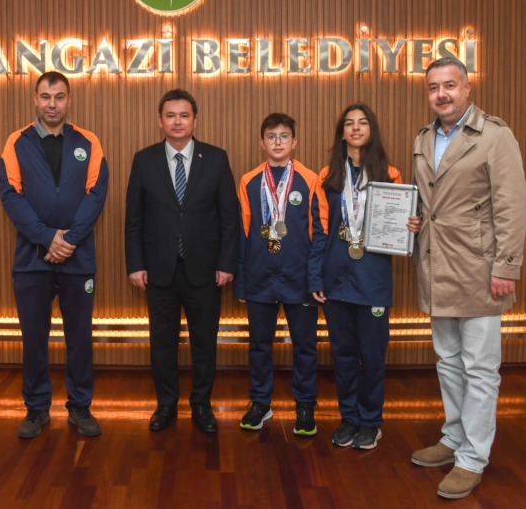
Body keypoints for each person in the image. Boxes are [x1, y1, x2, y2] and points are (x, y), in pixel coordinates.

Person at [410, 56, 526, 499]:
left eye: (449, 85)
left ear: (467, 87)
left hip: (479, 269)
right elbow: (430, 202)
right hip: (437, 267)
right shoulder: (424, 138)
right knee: (448, 361)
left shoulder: (495, 136)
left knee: (479, 368)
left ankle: (473, 458)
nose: (441, 94)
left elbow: (512, 206)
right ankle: (454, 437)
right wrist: (414, 222)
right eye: (433, 87)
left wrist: (506, 267)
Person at [0, 71, 109, 440]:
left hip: (78, 259)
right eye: (45, 96)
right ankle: (36, 408)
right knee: (34, 338)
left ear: (69, 100)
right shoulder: (16, 142)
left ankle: (79, 406)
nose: (52, 104)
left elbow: (96, 194)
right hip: (32, 260)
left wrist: (69, 240)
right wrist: (48, 239)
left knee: (80, 337)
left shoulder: (88, 142)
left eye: (59, 97)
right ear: (35, 99)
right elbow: (10, 195)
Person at [125, 88, 240, 434]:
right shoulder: (144, 160)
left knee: (204, 342)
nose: (178, 122)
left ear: (195, 120)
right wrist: (135, 263)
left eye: (184, 115)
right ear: (160, 121)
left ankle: (201, 405)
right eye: (171, 115)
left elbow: (229, 217)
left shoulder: (216, 158)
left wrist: (227, 263)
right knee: (162, 343)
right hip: (158, 269)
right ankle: (166, 404)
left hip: (205, 269)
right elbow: (134, 219)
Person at [312, 103, 420, 450]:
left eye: (362, 123)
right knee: (343, 355)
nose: (355, 128)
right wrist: (316, 278)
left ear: (371, 130)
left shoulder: (390, 175)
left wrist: (409, 226)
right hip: (336, 281)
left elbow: (400, 226)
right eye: (349, 123)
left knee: (372, 356)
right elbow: (319, 231)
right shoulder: (327, 176)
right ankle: (349, 418)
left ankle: (371, 421)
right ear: (342, 133)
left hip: (373, 280)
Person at [234, 113, 327, 435]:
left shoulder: (310, 179)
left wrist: (315, 279)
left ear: (294, 142)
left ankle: (305, 404)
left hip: (299, 279)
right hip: (260, 277)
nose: (277, 142)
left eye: (284, 136)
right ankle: (261, 402)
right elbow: (242, 234)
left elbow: (319, 234)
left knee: (305, 345)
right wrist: (242, 281)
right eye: (271, 136)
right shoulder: (248, 181)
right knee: (259, 344)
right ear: (262, 143)